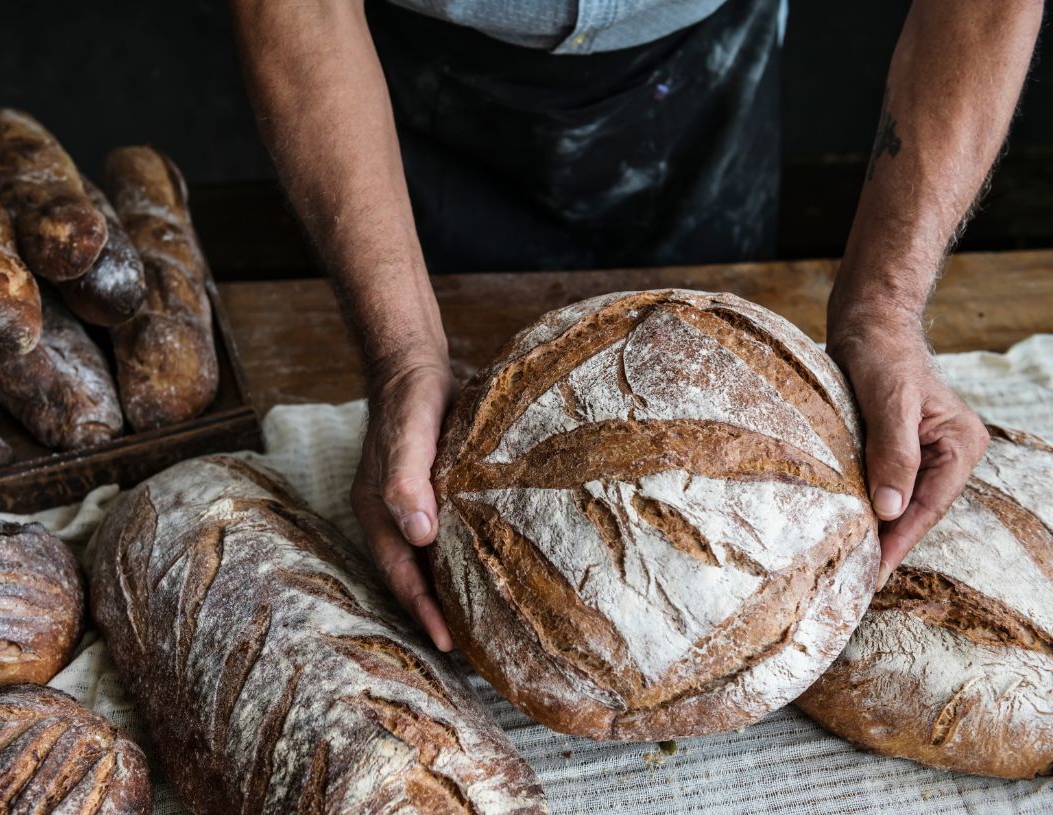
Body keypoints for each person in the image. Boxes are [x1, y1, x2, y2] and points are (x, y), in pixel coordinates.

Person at [230, 0, 1042, 651]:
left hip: (706, 61)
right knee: (448, 456)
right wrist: (401, 351)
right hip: (392, 92)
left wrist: (885, 310)